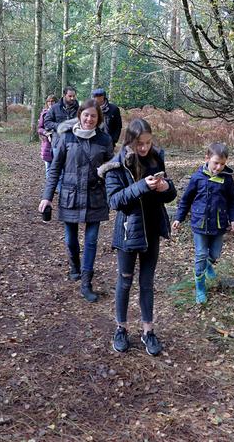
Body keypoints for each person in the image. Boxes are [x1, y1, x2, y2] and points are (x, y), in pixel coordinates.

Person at [98, 118, 176, 356]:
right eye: (140, 143)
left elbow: (169, 195)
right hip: (127, 232)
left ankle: (148, 331)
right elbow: (114, 201)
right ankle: (121, 328)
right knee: (125, 281)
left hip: (152, 229)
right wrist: (142, 186)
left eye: (148, 142)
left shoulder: (156, 157)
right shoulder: (116, 165)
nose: (144, 148)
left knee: (147, 283)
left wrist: (166, 188)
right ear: (129, 141)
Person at [39, 99, 114, 303]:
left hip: (95, 197)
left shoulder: (104, 140)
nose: (89, 119)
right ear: (80, 115)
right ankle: (74, 265)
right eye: (86, 115)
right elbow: (55, 169)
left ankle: (86, 283)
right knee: (71, 240)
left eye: (94, 116)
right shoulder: (66, 137)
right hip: (70, 196)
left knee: (91, 242)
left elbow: (111, 168)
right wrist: (47, 197)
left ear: (98, 119)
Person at [172, 142, 234, 304]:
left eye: (222, 164)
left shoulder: (227, 180)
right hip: (200, 223)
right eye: (216, 163)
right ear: (207, 158)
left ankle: (209, 264)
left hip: (218, 224)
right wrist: (178, 218)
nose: (218, 167)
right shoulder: (197, 178)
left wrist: (233, 219)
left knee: (214, 254)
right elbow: (186, 200)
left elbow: (232, 201)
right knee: (201, 254)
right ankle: (200, 286)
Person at [37, 95, 58, 173]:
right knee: (48, 168)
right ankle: (50, 185)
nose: (50, 103)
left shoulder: (60, 113)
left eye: (52, 101)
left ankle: (58, 185)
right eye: (49, 101)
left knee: (58, 169)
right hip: (47, 143)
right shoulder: (44, 113)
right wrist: (46, 133)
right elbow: (39, 128)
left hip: (58, 143)